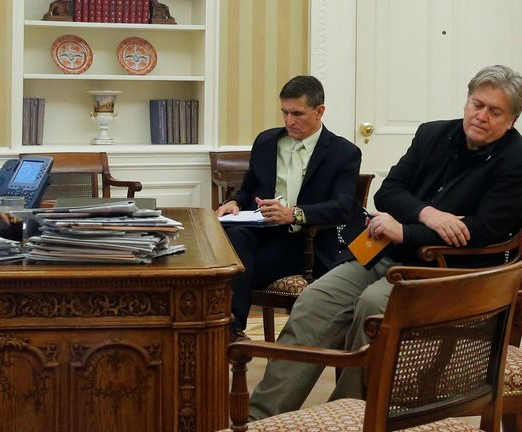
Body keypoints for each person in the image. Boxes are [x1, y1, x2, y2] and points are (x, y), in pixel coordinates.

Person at [248, 64, 522, 420]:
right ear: (467, 101)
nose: (480, 116)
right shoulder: (432, 135)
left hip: (453, 272)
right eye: (476, 104)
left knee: (373, 307)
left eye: (494, 111)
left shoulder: (515, 160)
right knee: (315, 300)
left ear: (512, 119)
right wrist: (427, 214)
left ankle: (350, 417)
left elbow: (483, 230)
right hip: (384, 254)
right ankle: (261, 418)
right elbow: (389, 191)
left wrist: (405, 230)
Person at [216, 75, 362, 341]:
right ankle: (231, 331)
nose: (288, 121)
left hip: (303, 242)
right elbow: (248, 187)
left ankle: (229, 330)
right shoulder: (267, 142)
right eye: (284, 112)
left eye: (297, 113)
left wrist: (294, 213)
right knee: (232, 244)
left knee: (231, 271)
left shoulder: (344, 152)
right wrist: (233, 203)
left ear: (319, 111)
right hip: (258, 231)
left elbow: (341, 207)